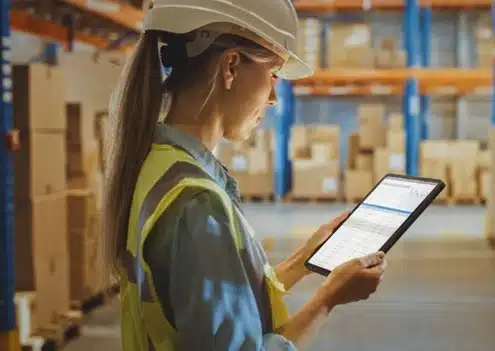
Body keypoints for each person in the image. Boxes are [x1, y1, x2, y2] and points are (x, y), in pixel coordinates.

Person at [102, 0, 387, 350]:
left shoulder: (158, 165)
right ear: (231, 66)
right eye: (273, 75)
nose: (272, 98)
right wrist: (328, 298)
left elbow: (214, 300)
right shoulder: (197, 202)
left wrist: (303, 261)